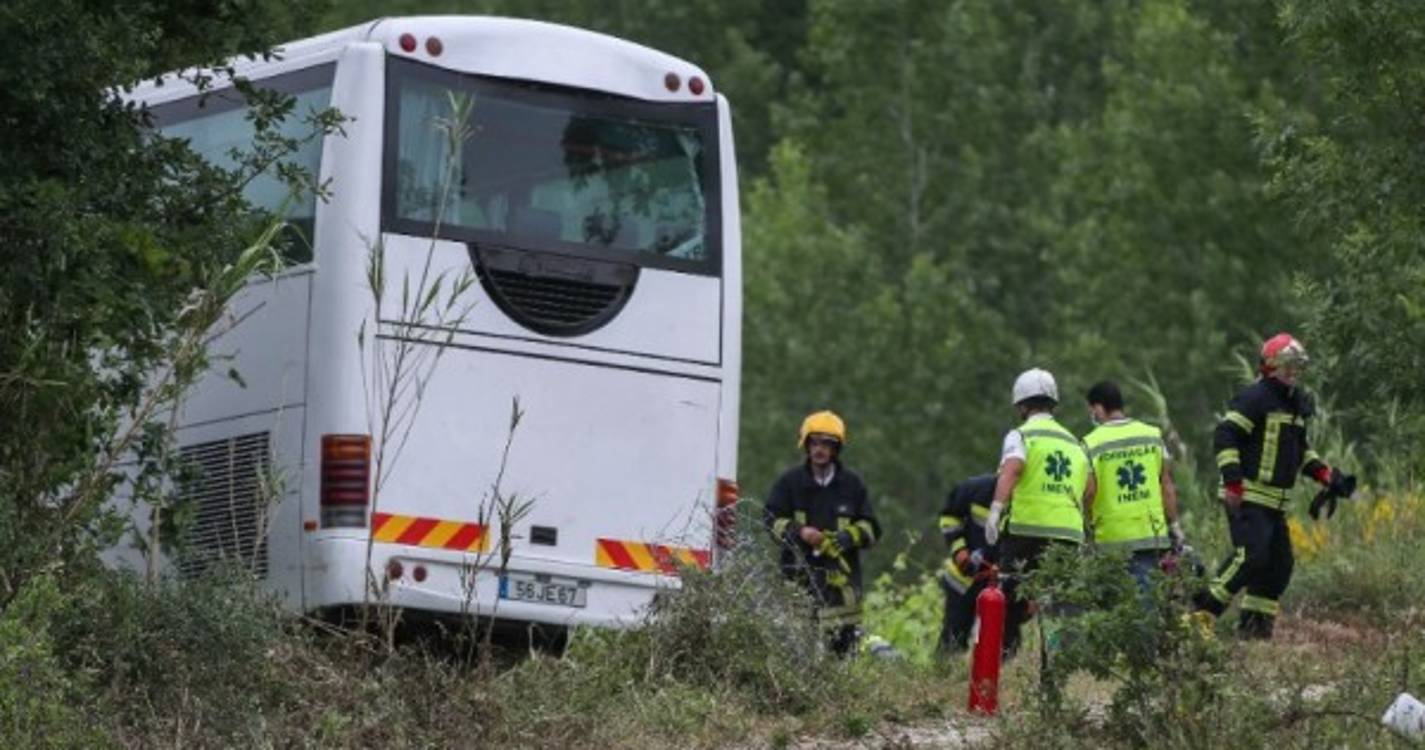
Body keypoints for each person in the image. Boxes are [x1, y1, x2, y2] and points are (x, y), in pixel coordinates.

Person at [1192, 333, 1356, 639]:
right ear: (1270, 366)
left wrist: (1325, 475)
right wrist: (1233, 483)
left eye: (1297, 366)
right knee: (1251, 558)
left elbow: (1300, 449)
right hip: (1248, 496)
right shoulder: (1255, 397)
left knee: (1278, 566)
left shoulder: (1294, 404)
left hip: (1274, 502)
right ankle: (1198, 618)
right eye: (1287, 366)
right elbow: (1225, 435)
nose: (1294, 372)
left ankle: (1253, 633)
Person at [984, 368, 1089, 655]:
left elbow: (1013, 469)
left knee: (1010, 598)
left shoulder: (1021, 435)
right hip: (1067, 534)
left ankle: (1003, 660)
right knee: (1060, 605)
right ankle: (1057, 668)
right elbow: (1089, 488)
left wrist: (995, 512)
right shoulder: (1074, 442)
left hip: (1025, 530)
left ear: (1021, 405)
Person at [765, 410, 881, 656]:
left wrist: (846, 537)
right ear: (806, 445)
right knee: (793, 647)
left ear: (836, 448)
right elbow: (770, 520)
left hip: (840, 585)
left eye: (827, 444)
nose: (820, 449)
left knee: (841, 650)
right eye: (815, 442)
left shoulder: (852, 484)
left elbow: (872, 529)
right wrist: (799, 532)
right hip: (797, 577)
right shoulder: (790, 482)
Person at [1081, 380, 1185, 591]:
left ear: (1099, 407)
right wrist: (1174, 526)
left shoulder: (1091, 443)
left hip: (1110, 539)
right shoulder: (1152, 435)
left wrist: (1087, 529)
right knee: (1146, 604)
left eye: (1092, 410)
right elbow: (1166, 485)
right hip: (1151, 536)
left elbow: (1089, 493)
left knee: (1115, 608)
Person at [936, 473, 998, 653]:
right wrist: (959, 550)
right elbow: (949, 518)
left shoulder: (1028, 501)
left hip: (1001, 587)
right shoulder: (975, 488)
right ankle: (944, 675)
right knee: (953, 638)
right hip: (963, 581)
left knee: (1000, 643)